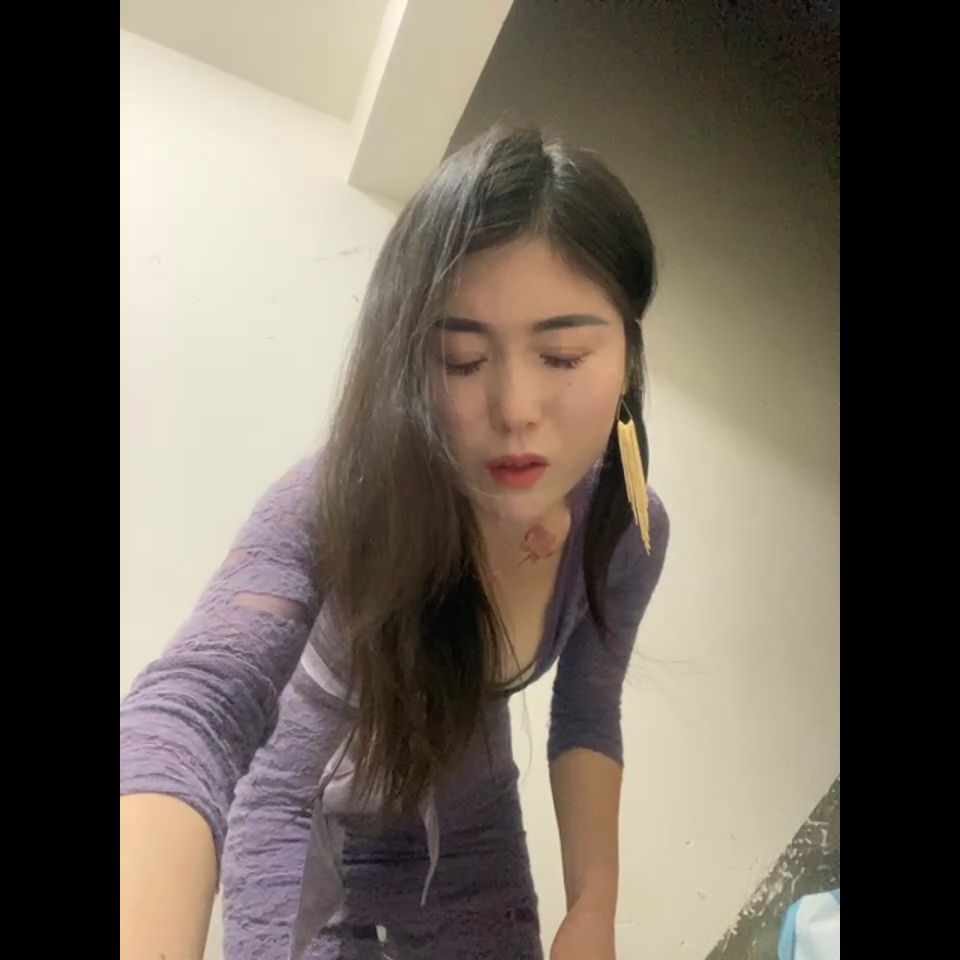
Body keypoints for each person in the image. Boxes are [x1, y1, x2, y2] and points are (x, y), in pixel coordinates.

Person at [120, 124, 671, 960]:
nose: (515, 408)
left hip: (474, 828)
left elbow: (588, 710)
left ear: (626, 353)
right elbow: (192, 707)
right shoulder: (339, 495)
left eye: (562, 356)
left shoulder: (627, 528)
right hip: (303, 816)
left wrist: (594, 908)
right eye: (461, 359)